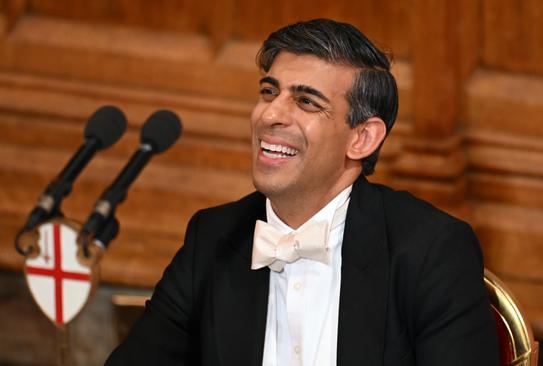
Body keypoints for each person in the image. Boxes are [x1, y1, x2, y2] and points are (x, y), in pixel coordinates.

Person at [106, 18, 499, 365]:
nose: (271, 115)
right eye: (268, 92)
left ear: (362, 138)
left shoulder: (430, 250)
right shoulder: (212, 239)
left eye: (306, 101)